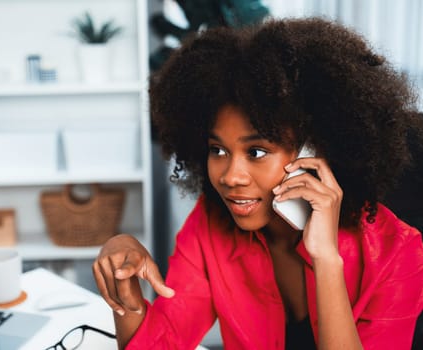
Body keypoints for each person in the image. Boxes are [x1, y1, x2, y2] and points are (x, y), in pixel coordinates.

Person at [92, 17, 423, 349]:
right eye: (217, 149)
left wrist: (326, 258)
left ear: (315, 150)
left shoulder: (398, 252)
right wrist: (126, 288)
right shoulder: (210, 223)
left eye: (257, 151)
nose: (230, 176)